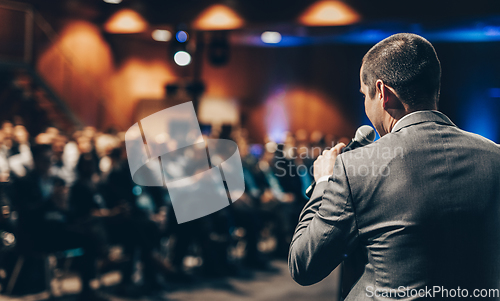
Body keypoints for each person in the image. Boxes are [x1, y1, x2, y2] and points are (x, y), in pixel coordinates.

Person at [289, 33, 500, 300]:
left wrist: (322, 183)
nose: (366, 105)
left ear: (382, 93)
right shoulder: (495, 157)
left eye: (365, 95)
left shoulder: (355, 167)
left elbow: (304, 265)